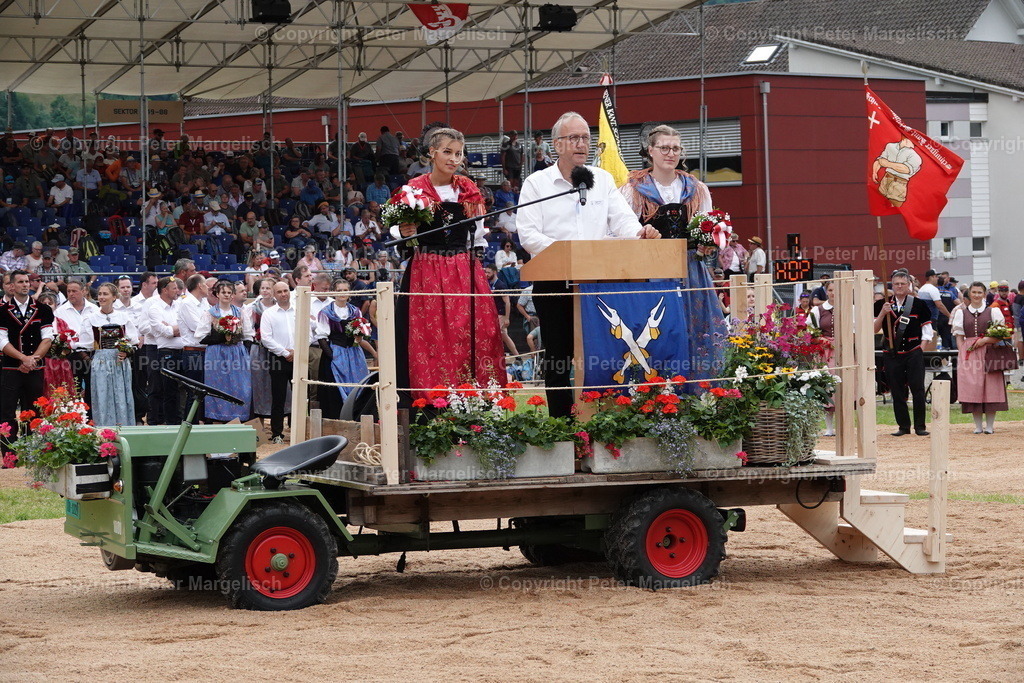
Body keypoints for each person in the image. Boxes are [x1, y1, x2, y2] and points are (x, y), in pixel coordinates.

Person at [517, 111, 660, 417]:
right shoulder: (537, 183)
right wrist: (569, 255)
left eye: (585, 137)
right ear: (557, 144)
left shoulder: (603, 180)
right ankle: (562, 427)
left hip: (598, 283)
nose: (581, 143)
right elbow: (528, 235)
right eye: (573, 138)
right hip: (554, 281)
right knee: (558, 357)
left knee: (602, 353)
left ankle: (601, 420)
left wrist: (641, 233)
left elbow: (624, 222)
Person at [392, 126, 506, 403]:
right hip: (426, 268)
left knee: (473, 332)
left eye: (458, 153)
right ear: (431, 153)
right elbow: (396, 229)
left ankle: (477, 399)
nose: (454, 158)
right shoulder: (413, 189)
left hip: (462, 268)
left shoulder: (468, 188)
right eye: (447, 152)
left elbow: (477, 234)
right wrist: (403, 231)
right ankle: (432, 399)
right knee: (430, 335)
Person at [619, 123, 726, 386]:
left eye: (676, 148)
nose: (671, 153)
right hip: (649, 271)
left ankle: (701, 389)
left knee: (697, 327)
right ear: (650, 151)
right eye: (664, 148)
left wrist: (708, 243)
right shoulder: (633, 188)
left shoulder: (696, 187)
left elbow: (710, 226)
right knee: (657, 328)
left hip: (690, 269)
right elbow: (620, 230)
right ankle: (656, 389)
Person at [874, 270, 933, 436]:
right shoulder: (881, 304)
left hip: (913, 351)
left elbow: (927, 329)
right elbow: (874, 329)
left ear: (909, 285)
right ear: (891, 285)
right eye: (896, 284)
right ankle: (903, 426)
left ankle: (920, 426)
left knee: (917, 388)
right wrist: (882, 314)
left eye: (902, 284)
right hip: (891, 352)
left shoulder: (919, 304)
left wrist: (922, 347)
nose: (899, 287)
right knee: (897, 389)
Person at [0, 270, 54, 447]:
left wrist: (33, 360)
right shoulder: (2, 311)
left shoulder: (43, 309)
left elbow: (48, 338)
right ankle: (9, 452)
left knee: (33, 410)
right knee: (6, 411)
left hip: (35, 369)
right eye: (21, 282)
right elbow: (1, 341)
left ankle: (32, 450)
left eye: (26, 282)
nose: (25, 285)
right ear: (12, 285)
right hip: (10, 369)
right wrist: (24, 358)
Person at [951, 281, 1009, 434]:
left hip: (990, 351)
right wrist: (962, 351)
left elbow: (1001, 335)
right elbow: (959, 336)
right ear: (969, 294)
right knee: (972, 386)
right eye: (974, 292)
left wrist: (984, 340)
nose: (976, 295)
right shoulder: (960, 313)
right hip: (970, 353)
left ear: (984, 294)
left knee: (991, 386)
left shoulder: (993, 311)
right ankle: (978, 426)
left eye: (979, 292)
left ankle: (989, 426)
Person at [196, 279, 253, 423]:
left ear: (233, 295)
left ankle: (238, 418)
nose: (226, 295)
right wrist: (219, 337)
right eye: (223, 292)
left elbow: (248, 334)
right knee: (217, 386)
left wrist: (243, 350)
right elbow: (200, 336)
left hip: (237, 352)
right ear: (217, 294)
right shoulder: (210, 313)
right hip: (216, 353)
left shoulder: (240, 312)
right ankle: (216, 418)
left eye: (229, 292)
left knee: (240, 387)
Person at [315, 279, 373, 419]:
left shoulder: (355, 311)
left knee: (358, 383)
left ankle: (357, 416)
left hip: (354, 352)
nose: (342, 293)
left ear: (350, 293)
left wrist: (359, 337)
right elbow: (321, 337)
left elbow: (360, 334)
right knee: (335, 388)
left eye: (345, 290)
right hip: (335, 351)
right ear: (334, 292)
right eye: (339, 290)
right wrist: (332, 356)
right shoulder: (326, 312)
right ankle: (337, 418)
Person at [84, 283, 138, 427]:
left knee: (121, 397)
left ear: (114, 297)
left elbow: (134, 341)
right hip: (101, 361)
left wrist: (126, 352)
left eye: (105, 294)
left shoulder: (123, 317)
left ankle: (124, 430)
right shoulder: (91, 318)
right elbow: (84, 343)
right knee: (102, 397)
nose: (101, 297)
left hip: (119, 362)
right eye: (100, 294)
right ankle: (104, 432)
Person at [246, 277, 288, 430]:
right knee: (258, 386)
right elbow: (248, 329)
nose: (265, 291)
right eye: (262, 288)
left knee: (276, 387)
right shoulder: (252, 307)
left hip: (277, 351)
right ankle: (259, 425)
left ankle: (279, 424)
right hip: (259, 350)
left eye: (268, 288)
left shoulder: (281, 307)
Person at [260, 280, 297, 443]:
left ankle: (299, 430)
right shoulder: (268, 313)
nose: (283, 294)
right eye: (280, 292)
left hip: (299, 357)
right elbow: (266, 338)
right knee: (279, 397)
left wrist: (297, 351)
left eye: (286, 290)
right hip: (278, 359)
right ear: (274, 295)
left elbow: (309, 332)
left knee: (301, 396)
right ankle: (276, 433)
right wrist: (284, 353)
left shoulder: (299, 310)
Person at [147, 277, 184, 425]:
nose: (177, 291)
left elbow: (186, 327)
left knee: (182, 390)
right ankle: (171, 423)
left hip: (182, 351)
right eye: (174, 288)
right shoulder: (154, 308)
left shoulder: (179, 306)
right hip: (166, 352)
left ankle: (180, 420)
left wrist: (172, 328)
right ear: (164, 290)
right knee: (169, 390)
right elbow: (165, 332)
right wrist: (173, 328)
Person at [54, 280, 98, 400]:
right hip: (70, 356)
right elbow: (58, 334)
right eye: (68, 291)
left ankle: (90, 417)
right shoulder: (60, 311)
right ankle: (74, 416)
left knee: (92, 388)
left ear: (84, 291)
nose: (71, 294)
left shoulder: (95, 309)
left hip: (92, 354)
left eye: (74, 291)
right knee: (73, 388)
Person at [808, 280, 837, 437]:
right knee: (826, 387)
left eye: (836, 290)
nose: (833, 293)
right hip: (825, 352)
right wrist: (821, 339)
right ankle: (829, 427)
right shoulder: (818, 310)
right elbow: (810, 331)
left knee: (844, 387)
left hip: (844, 350)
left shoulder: (850, 308)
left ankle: (845, 425)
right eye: (831, 290)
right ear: (826, 292)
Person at [35, 290, 74, 397]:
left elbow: (69, 342)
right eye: (44, 304)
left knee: (63, 390)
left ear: (56, 305)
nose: (47, 306)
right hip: (44, 362)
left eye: (50, 303)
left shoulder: (61, 322)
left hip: (61, 363)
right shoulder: (35, 323)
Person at [917, 269, 951, 351]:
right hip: (932, 319)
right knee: (932, 340)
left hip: (922, 319)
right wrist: (950, 316)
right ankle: (932, 358)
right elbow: (940, 305)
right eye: (936, 276)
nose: (937, 279)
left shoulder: (921, 289)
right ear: (931, 277)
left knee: (925, 339)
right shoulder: (933, 289)